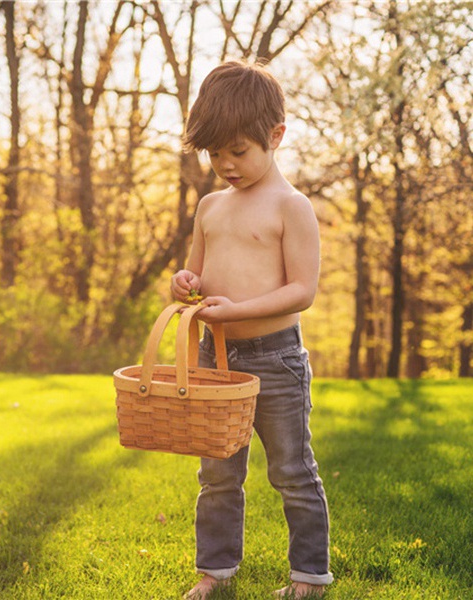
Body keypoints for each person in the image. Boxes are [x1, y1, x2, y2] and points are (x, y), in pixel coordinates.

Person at [170, 61, 333, 599]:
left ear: (276, 136)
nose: (225, 165)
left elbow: (301, 291)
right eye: (215, 154)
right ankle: (215, 571)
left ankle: (309, 575)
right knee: (217, 475)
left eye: (238, 151)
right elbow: (197, 276)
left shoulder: (292, 207)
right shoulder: (210, 206)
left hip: (275, 359)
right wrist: (186, 283)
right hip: (216, 357)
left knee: (291, 468)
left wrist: (236, 310)